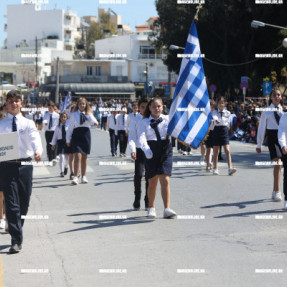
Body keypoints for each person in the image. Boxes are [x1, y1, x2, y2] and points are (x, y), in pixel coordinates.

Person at [0, 90, 42, 253]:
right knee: (12, 203)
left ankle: (15, 225)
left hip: (25, 165)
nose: (14, 103)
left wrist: (38, 151)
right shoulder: (2, 124)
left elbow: (35, 139)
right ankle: (16, 240)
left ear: (21, 103)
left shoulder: (28, 123)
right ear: (6, 104)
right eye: (10, 101)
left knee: (24, 202)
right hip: (7, 165)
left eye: (16, 100)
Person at [138, 97, 176, 219]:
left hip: (165, 149)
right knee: (152, 181)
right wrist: (146, 149)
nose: (156, 108)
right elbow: (142, 137)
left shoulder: (168, 119)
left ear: (163, 107)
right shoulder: (144, 122)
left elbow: (178, 128)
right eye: (154, 106)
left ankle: (167, 209)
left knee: (165, 179)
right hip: (151, 149)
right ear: (150, 108)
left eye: (159, 106)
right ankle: (152, 207)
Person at [257, 88, 283, 202]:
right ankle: (277, 191)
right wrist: (259, 144)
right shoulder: (266, 111)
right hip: (273, 137)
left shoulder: (284, 110)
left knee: (281, 165)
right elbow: (261, 128)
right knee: (277, 163)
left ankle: (276, 190)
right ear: (271, 97)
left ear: (281, 97)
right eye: (274, 95)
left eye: (278, 95)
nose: (276, 97)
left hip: (283, 138)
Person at [66, 97, 98, 185]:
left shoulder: (88, 114)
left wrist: (95, 122)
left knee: (84, 157)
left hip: (85, 135)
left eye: (83, 104)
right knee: (77, 156)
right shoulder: (73, 114)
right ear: (78, 105)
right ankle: (76, 177)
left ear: (86, 105)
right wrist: (68, 139)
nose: (82, 105)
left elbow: (94, 121)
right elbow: (70, 128)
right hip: (76, 135)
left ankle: (84, 176)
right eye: (80, 104)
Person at [128, 98, 149, 210]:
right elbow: (131, 136)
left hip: (151, 151)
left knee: (149, 176)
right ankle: (137, 197)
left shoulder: (152, 119)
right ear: (139, 108)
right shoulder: (135, 120)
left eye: (146, 106)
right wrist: (132, 150)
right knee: (139, 174)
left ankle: (148, 199)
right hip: (139, 150)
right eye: (142, 107)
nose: (144, 109)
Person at [212, 96, 236, 175]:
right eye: (219, 103)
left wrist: (228, 127)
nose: (221, 104)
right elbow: (214, 118)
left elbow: (228, 122)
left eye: (222, 103)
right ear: (217, 104)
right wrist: (216, 120)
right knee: (216, 151)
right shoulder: (215, 112)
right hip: (217, 130)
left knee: (227, 150)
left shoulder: (228, 113)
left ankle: (230, 168)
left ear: (225, 104)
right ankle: (215, 168)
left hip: (224, 131)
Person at [51, 112, 71, 177]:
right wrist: (53, 144)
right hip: (60, 142)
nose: (63, 118)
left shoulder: (69, 125)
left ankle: (66, 167)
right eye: (62, 117)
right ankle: (61, 171)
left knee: (67, 157)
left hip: (67, 142)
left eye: (64, 117)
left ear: (66, 118)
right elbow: (55, 136)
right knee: (61, 157)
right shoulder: (58, 126)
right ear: (60, 118)